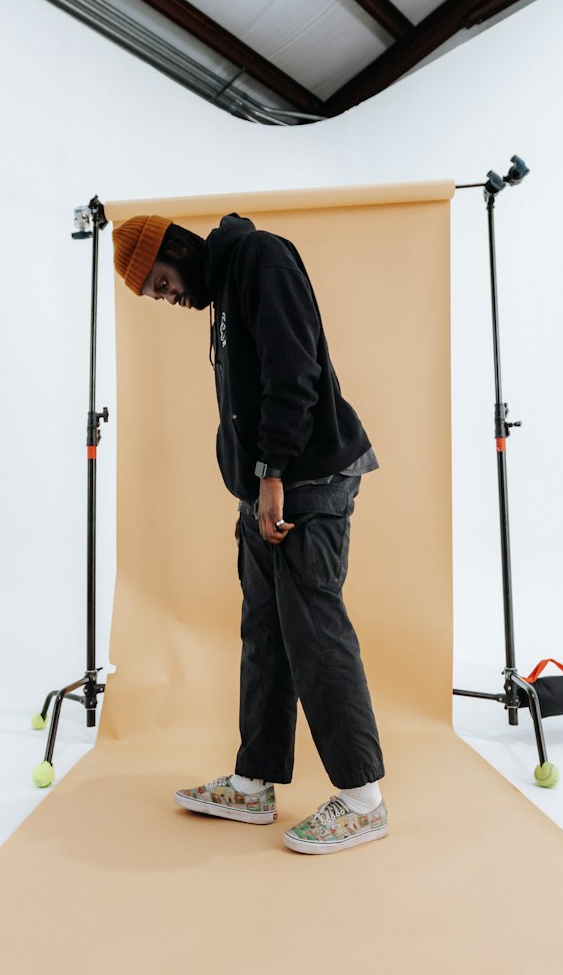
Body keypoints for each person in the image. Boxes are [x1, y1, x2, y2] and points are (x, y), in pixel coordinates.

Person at [112, 211, 387, 855]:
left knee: (314, 631)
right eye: (155, 295)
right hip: (265, 487)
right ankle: (254, 780)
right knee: (265, 633)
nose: (168, 299)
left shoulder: (261, 258)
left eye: (161, 283)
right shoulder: (226, 289)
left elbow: (292, 374)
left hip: (304, 482)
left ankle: (362, 798)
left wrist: (270, 477)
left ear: (178, 249)